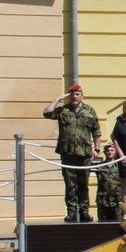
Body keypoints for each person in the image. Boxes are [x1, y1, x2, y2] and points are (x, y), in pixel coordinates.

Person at [43, 85, 102, 222]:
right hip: (68, 152)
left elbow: (96, 132)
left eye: (77, 94)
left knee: (83, 184)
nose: (75, 97)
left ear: (82, 95)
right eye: (72, 94)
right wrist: (58, 99)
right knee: (70, 184)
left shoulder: (89, 111)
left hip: (84, 153)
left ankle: (84, 211)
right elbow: (47, 113)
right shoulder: (64, 110)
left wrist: (97, 149)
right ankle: (71, 211)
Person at [93, 144, 122, 221]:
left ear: (115, 152)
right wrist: (95, 155)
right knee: (102, 224)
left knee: (119, 223)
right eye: (107, 151)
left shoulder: (119, 166)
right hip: (103, 199)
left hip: (117, 199)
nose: (110, 152)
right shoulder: (100, 166)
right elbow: (85, 165)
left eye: (112, 150)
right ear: (105, 152)